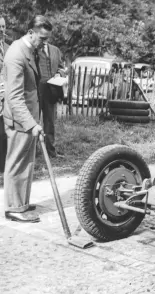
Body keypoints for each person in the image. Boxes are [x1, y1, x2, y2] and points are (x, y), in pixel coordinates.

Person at [2, 15, 52, 223]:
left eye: (46, 39)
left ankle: (22, 201)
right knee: (16, 162)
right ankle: (14, 208)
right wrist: (31, 123)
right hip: (20, 120)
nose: (44, 43)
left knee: (26, 162)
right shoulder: (16, 54)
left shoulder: (30, 49)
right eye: (41, 38)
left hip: (29, 118)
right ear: (30, 32)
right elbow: (14, 96)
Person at [37, 40, 66, 158]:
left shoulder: (55, 50)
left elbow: (61, 67)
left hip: (51, 90)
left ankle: (51, 151)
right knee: (33, 121)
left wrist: (59, 73)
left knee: (50, 122)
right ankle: (32, 152)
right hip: (36, 90)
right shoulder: (33, 48)